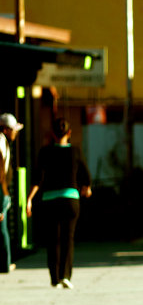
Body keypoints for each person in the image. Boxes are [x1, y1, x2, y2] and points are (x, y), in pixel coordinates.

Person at [27, 118, 91, 289]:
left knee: (52, 239)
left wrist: (29, 200)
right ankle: (66, 276)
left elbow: (37, 179)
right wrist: (87, 188)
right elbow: (86, 176)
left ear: (52, 134)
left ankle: (54, 278)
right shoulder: (76, 152)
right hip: (70, 199)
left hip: (50, 201)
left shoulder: (45, 152)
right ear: (69, 133)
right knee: (68, 238)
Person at [0, 112, 21, 274]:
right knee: (3, 228)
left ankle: (5, 263)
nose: (15, 132)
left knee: (3, 228)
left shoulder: (4, 142)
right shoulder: (1, 142)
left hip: (3, 190)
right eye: (13, 129)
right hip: (2, 191)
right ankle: (5, 263)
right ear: (6, 129)